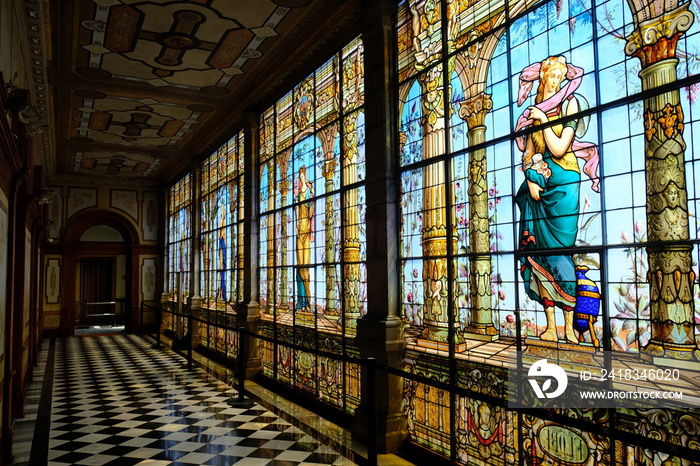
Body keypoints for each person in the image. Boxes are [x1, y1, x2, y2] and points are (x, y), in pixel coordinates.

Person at [514, 55, 598, 343]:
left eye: (561, 75)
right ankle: (550, 325)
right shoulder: (534, 110)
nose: (557, 80)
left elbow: (560, 148)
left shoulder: (570, 103)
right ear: (543, 77)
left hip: (564, 182)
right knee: (538, 254)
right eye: (552, 75)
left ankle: (569, 326)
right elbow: (529, 154)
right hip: (539, 181)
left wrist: (543, 120)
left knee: (560, 253)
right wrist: (529, 177)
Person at [294, 166, 314, 312]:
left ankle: (307, 301)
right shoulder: (298, 195)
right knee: (299, 267)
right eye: (299, 177)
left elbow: (311, 212)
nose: (300, 179)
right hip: (299, 231)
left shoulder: (308, 193)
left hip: (306, 231)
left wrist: (312, 192)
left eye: (302, 177)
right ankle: (301, 303)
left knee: (305, 267)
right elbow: (296, 212)